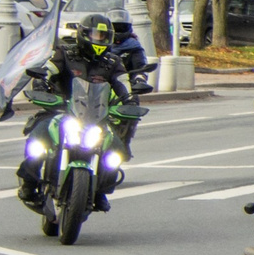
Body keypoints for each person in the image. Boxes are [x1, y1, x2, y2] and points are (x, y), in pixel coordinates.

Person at [10, 15, 149, 203]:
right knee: (38, 139)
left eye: (103, 36)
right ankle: (28, 183)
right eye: (95, 35)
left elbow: (122, 82)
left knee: (115, 149)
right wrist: (41, 83)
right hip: (60, 111)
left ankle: (100, 190)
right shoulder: (65, 53)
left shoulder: (112, 61)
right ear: (83, 34)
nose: (98, 40)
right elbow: (48, 70)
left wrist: (130, 98)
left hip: (95, 116)